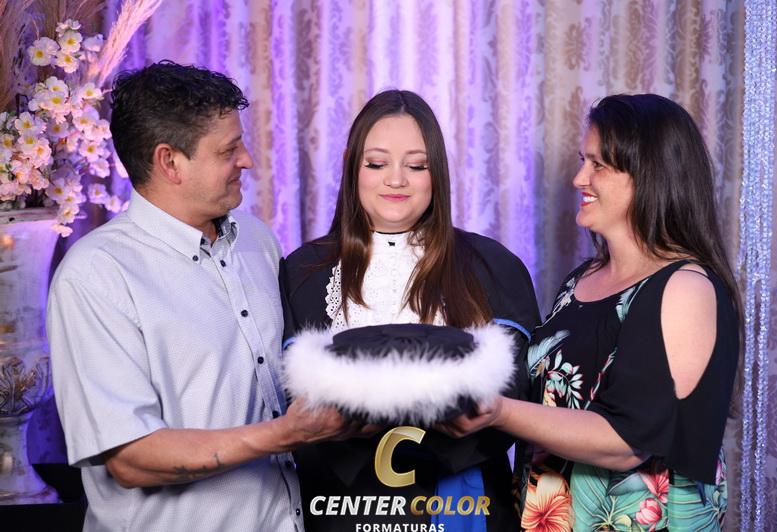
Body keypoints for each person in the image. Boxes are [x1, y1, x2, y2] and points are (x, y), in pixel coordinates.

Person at [46, 61, 355, 531]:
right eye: (229, 150)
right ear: (169, 162)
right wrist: (285, 434)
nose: (247, 160)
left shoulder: (257, 240)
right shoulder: (96, 276)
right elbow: (131, 458)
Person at [439, 93, 740, 531]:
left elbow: (625, 441)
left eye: (598, 165)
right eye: (584, 160)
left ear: (650, 174)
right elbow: (549, 401)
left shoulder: (685, 288)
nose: (579, 178)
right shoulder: (582, 278)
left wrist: (499, 411)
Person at [280, 89, 541, 531]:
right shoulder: (303, 271)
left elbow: (519, 399)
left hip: (466, 507)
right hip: (341, 509)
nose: (396, 180)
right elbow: (291, 405)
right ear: (351, 166)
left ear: (437, 172)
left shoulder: (493, 266)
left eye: (416, 166)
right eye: (376, 164)